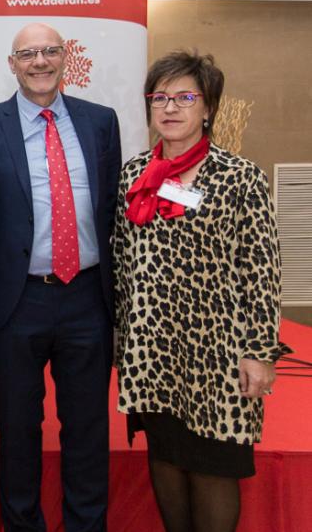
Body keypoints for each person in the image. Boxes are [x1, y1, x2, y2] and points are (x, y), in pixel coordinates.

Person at [114, 51, 289, 532]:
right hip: (153, 352)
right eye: (160, 98)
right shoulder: (134, 175)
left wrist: (259, 353)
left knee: (213, 463)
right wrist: (123, 342)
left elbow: (261, 271)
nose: (170, 108)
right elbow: (122, 262)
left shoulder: (239, 177)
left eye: (185, 98)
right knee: (166, 458)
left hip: (218, 355)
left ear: (208, 107)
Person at [0, 22, 122, 531]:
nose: (40, 62)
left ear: (64, 58)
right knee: (18, 429)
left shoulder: (100, 122)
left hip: (87, 298)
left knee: (88, 427)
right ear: (12, 65)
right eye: (28, 54)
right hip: (17, 301)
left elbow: (111, 209)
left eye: (49, 51)